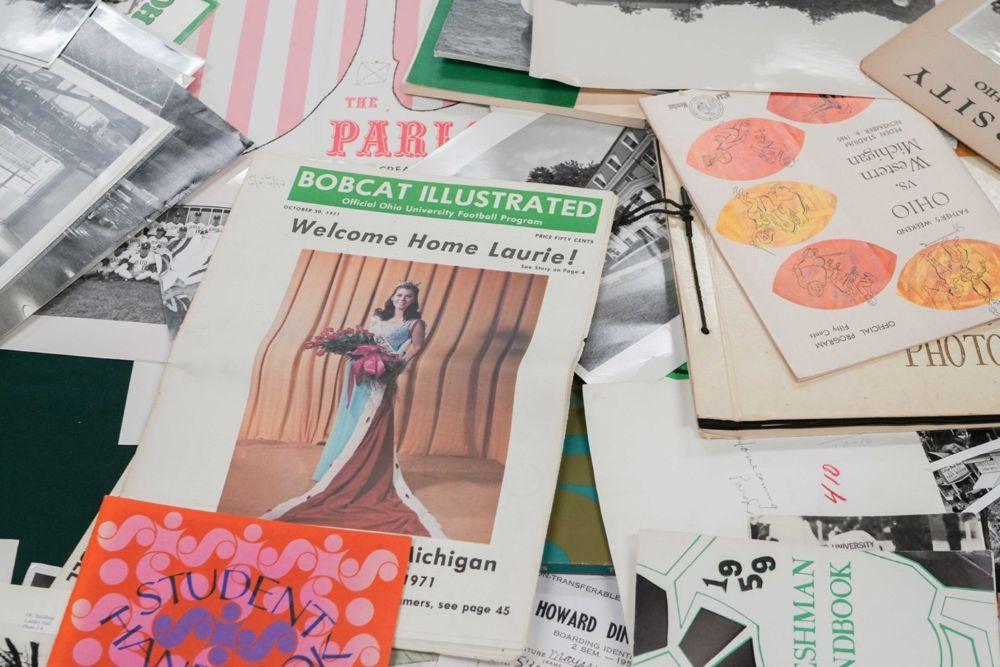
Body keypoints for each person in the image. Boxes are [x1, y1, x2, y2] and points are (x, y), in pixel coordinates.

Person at [263, 281, 444, 538]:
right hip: (361, 369)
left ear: (413, 301)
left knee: (371, 422)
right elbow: (368, 341)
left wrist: (396, 366)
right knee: (350, 417)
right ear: (392, 297)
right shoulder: (378, 318)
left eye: (408, 297)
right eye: (399, 295)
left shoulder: (415, 324)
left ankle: (363, 469)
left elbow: (416, 347)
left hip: (383, 372)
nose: (402, 299)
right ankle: (336, 466)